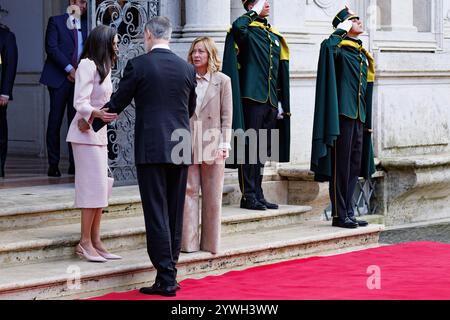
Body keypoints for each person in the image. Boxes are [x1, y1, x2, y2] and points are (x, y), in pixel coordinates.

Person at [92, 17, 197, 297]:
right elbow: (190, 108)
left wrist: (92, 124)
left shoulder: (138, 65)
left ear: (148, 34)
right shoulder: (186, 68)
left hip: (152, 146)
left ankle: (165, 278)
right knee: (174, 211)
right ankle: (170, 271)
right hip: (181, 145)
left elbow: (119, 102)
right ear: (171, 36)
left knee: (156, 212)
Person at [310, 6, 376, 229]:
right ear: (345, 25)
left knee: (354, 165)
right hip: (342, 115)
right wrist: (340, 31)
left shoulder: (358, 52)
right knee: (341, 166)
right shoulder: (337, 48)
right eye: (353, 20)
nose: (358, 22)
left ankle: (349, 210)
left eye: (357, 19)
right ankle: (339, 214)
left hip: (357, 114)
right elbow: (326, 48)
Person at [222, 0, 291, 211]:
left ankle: (258, 193)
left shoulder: (270, 33)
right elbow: (237, 27)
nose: (268, 4)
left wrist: (280, 102)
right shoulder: (246, 29)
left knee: (262, 151)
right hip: (252, 98)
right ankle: (248, 195)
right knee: (249, 148)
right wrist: (252, 12)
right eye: (262, 1)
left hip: (269, 99)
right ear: (252, 5)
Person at [66, 25, 120, 262]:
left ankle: (96, 240)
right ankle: (84, 242)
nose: (117, 46)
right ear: (103, 42)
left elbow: (104, 103)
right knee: (91, 188)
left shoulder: (106, 67)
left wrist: (100, 117)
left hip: (97, 133)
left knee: (102, 188)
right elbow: (81, 101)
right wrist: (94, 115)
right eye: (114, 42)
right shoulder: (87, 64)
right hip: (83, 137)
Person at [181, 37, 232, 254]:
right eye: (194, 51)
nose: (196, 55)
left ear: (210, 54)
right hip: (187, 140)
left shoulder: (223, 80)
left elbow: (227, 115)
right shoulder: (185, 78)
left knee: (213, 194)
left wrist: (225, 144)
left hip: (213, 141)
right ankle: (188, 244)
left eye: (201, 51)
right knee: (188, 192)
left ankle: (211, 244)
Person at [40, 0, 88, 177]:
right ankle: (53, 164)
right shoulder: (56, 21)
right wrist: (69, 69)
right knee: (55, 121)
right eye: (82, 2)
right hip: (59, 79)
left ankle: (74, 164)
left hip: (79, 81)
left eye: (86, 3)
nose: (85, 6)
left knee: (75, 122)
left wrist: (79, 72)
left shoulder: (88, 24)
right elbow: (51, 48)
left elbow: (89, 51)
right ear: (72, 2)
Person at [0, 6, 18, 178]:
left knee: (0, 133)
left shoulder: (6, 36)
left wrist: (5, 92)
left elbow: (9, 66)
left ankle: (0, 167)